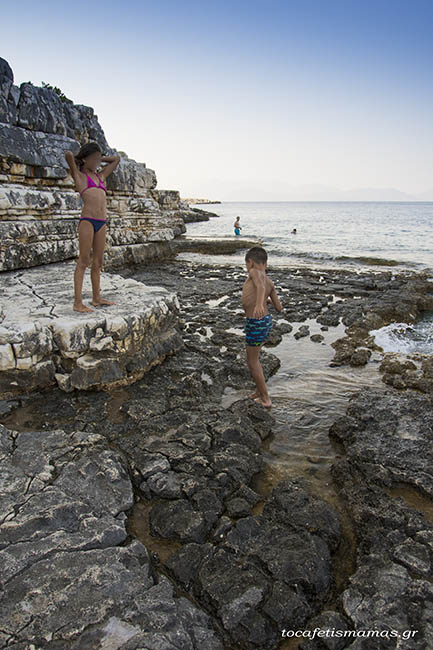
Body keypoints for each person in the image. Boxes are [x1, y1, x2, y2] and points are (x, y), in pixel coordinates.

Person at [65, 142, 120, 312]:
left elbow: (116, 160)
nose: (97, 161)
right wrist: (83, 159)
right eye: (94, 158)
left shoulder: (101, 176)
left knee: (98, 262)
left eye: (99, 158)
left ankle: (96, 298)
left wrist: (98, 157)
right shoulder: (80, 176)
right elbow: (68, 154)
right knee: (83, 261)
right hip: (88, 221)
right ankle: (78, 303)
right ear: (85, 158)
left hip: (101, 222)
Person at [242, 246, 283, 408]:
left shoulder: (254, 272)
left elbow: (259, 286)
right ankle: (259, 391)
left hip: (256, 322)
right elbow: (279, 308)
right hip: (265, 321)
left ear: (250, 262)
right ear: (265, 263)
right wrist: (266, 301)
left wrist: (259, 304)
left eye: (247, 265)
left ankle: (265, 399)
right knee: (254, 359)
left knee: (253, 361)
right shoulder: (270, 281)